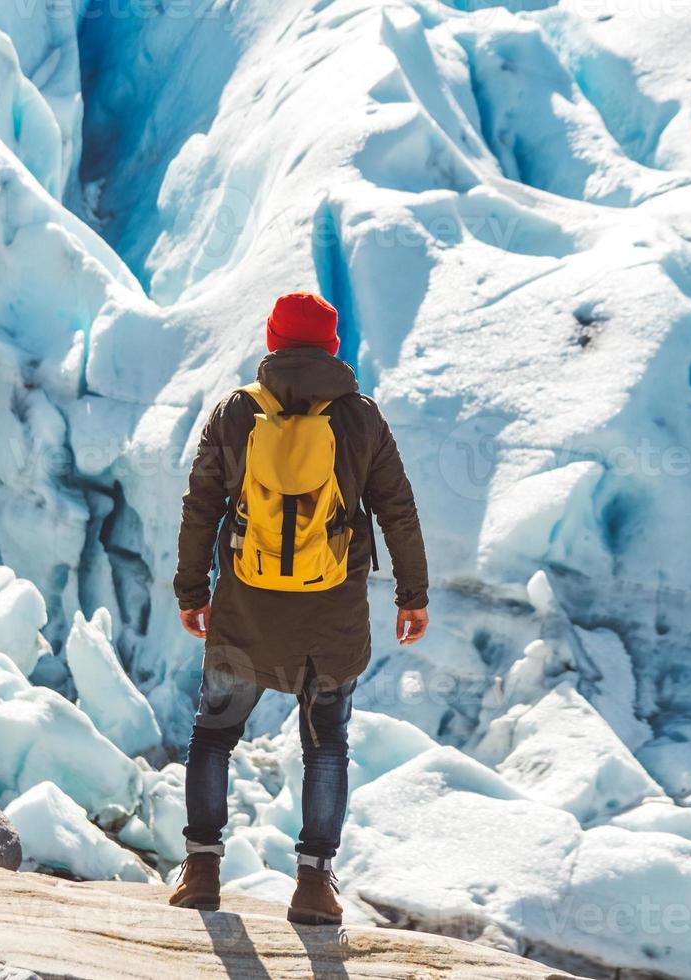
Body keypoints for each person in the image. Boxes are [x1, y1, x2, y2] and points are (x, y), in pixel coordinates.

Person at [168, 291, 429, 925]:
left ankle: (201, 870)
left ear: (275, 341)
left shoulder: (236, 412)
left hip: (245, 612)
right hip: (330, 619)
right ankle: (313, 885)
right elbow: (397, 508)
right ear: (332, 347)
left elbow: (200, 505)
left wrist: (191, 591)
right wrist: (412, 595)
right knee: (326, 748)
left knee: (214, 736)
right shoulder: (362, 418)